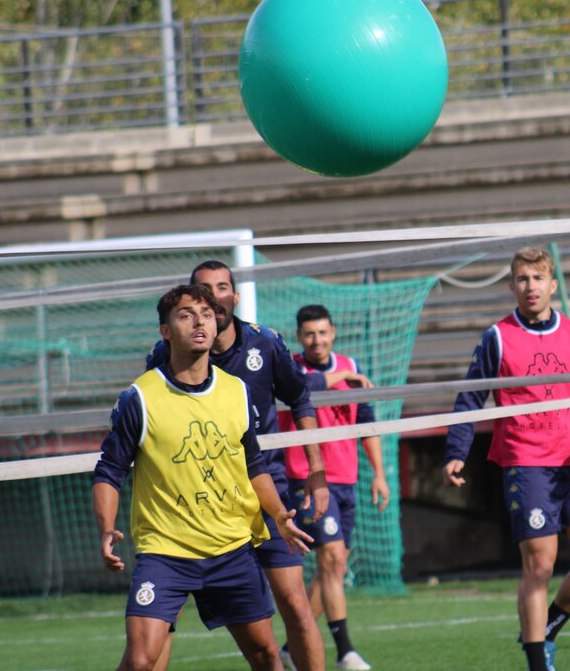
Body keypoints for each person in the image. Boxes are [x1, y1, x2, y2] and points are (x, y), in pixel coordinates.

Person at [93, 284, 313, 671]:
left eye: (207, 314)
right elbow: (109, 471)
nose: (200, 322)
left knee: (265, 654)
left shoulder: (236, 391)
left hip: (231, 548)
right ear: (165, 331)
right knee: (142, 659)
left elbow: (254, 464)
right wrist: (106, 527)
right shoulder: (139, 397)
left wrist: (279, 515)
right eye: (186, 314)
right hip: (166, 551)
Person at [443, 248, 570, 671]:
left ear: (552, 285)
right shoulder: (497, 337)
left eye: (538, 278)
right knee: (539, 563)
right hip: (527, 462)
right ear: (512, 286)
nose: (531, 287)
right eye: (522, 279)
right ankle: (537, 660)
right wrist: (456, 452)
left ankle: (554, 621)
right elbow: (471, 396)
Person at [145, 261, 328, 671]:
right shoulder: (164, 355)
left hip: (265, 492)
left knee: (295, 605)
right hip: (199, 502)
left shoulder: (265, 343)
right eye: (204, 290)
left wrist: (317, 472)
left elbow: (300, 399)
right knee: (162, 620)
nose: (214, 296)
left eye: (222, 287)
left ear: (235, 296)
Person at [278, 305, 389, 671]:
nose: (317, 340)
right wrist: (342, 376)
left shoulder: (351, 367)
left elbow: (366, 422)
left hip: (346, 478)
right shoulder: (291, 368)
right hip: (308, 478)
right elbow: (303, 387)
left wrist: (378, 473)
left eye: (323, 333)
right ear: (300, 337)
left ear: (334, 333)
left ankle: (292, 647)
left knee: (334, 568)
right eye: (310, 334)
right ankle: (345, 652)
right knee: (333, 559)